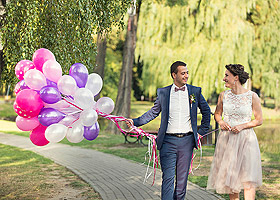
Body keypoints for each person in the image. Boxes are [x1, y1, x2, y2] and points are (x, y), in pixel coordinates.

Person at [126, 61, 211, 200]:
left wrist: (201, 132)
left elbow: (206, 112)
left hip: (187, 141)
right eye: (183, 73)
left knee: (182, 182)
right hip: (167, 142)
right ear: (174, 75)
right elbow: (153, 113)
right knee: (168, 180)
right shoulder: (164, 93)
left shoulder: (194, 91)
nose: (186, 76)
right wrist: (135, 122)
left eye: (187, 73)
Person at [207, 64, 263, 200]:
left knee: (248, 180)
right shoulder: (223, 96)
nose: (223, 79)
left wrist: (243, 126)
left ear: (236, 78)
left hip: (246, 140)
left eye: (226, 75)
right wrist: (221, 122)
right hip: (227, 140)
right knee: (232, 180)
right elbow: (217, 114)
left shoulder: (252, 96)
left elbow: (259, 120)